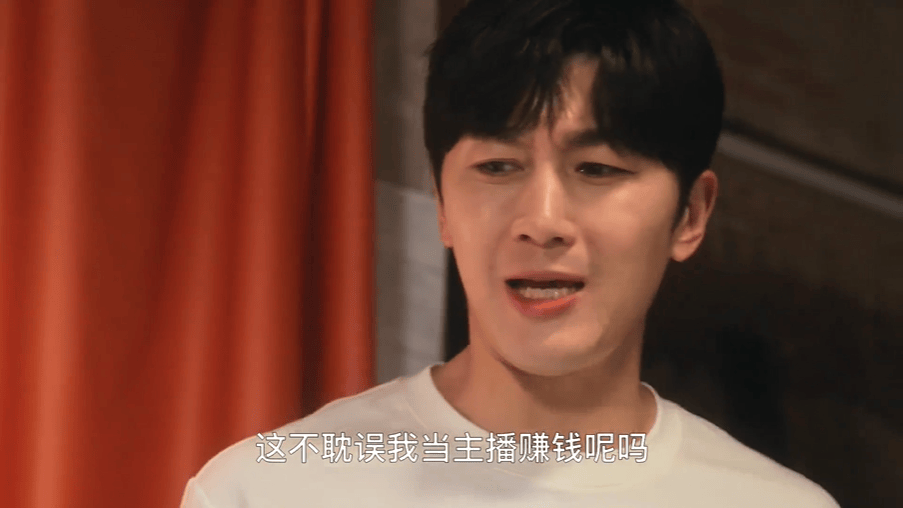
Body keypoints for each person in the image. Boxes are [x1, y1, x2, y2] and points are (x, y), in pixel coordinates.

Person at [181, 0, 840, 506]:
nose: (542, 222)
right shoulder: (266, 490)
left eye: (597, 169)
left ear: (690, 214)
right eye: (498, 167)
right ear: (442, 203)